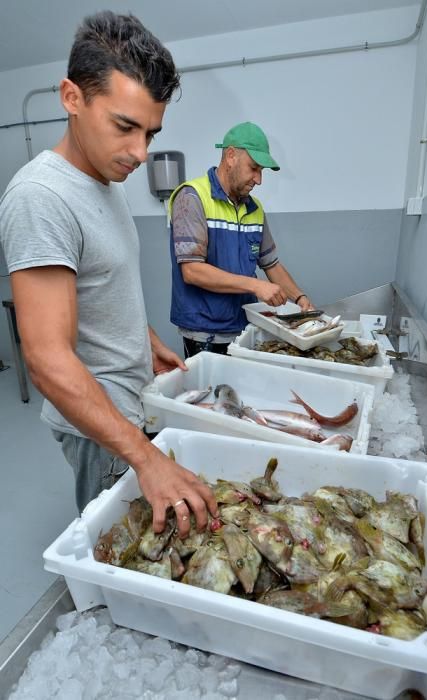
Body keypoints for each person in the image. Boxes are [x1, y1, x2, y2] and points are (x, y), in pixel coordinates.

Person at [0, 11, 218, 536]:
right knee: (128, 553)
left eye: (150, 131)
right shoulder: (41, 198)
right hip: (101, 427)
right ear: (71, 97)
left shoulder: (105, 180)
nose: (141, 152)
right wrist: (145, 458)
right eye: (125, 126)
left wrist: (143, 340)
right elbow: (47, 359)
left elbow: (100, 285)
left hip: (130, 398)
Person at [169, 121, 315, 358]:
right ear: (230, 156)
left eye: (261, 171)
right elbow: (192, 271)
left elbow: (271, 264)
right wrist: (256, 286)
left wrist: (300, 298)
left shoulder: (254, 209)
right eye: (254, 168)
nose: (259, 180)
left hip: (245, 328)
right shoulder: (192, 197)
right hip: (205, 333)